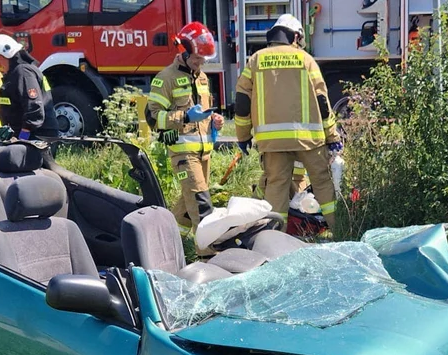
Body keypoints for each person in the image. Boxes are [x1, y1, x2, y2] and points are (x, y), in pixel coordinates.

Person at [234, 14, 343, 231]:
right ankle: (341, 231)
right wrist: (332, 136)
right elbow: (322, 101)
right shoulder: (305, 59)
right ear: (294, 36)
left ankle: (274, 241)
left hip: (272, 143)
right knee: (323, 185)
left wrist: (243, 135)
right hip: (308, 140)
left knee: (276, 188)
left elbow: (242, 101)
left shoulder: (255, 60)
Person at [144, 22, 226, 233]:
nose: (200, 63)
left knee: (188, 205)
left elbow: (202, 112)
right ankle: (208, 253)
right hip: (182, 155)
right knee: (201, 203)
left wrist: (213, 120)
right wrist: (185, 117)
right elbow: (152, 118)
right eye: (197, 58)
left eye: (203, 60)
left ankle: (170, 238)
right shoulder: (165, 79)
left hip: (203, 153)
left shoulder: (202, 77)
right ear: (184, 51)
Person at [0, 34, 61, 141]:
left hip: (37, 136)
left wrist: (24, 135)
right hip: (29, 135)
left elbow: (34, 106)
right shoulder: (17, 73)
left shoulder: (23, 72)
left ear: (5, 54)